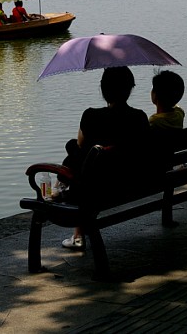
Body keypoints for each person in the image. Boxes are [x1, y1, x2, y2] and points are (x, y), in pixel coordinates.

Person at [60, 66, 149, 250]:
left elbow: (80, 146)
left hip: (98, 186)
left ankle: (77, 234)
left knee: (74, 149)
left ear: (102, 89)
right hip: (132, 180)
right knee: (86, 157)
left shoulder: (91, 115)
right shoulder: (139, 117)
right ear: (130, 88)